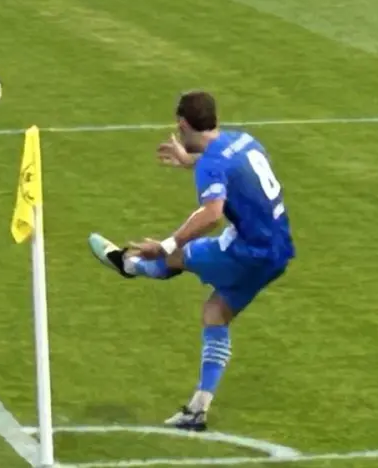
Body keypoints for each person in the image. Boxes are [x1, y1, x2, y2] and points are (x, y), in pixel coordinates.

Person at [87, 90, 294, 432]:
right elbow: (233, 168)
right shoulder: (243, 139)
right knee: (215, 313)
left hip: (248, 251)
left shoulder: (213, 162)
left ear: (183, 124)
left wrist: (166, 243)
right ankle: (197, 410)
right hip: (278, 250)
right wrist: (189, 161)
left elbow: (212, 213)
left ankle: (128, 264)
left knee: (172, 257)